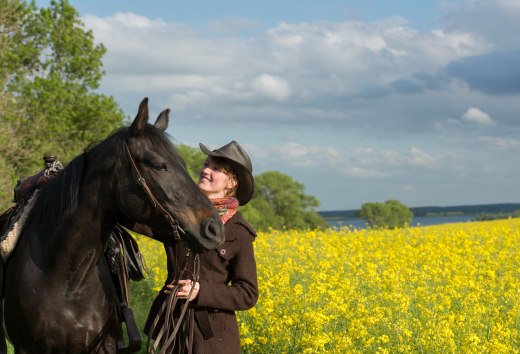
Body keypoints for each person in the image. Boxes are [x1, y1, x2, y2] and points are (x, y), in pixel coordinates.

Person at [144, 140, 258, 353]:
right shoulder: (180, 216)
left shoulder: (238, 230)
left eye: (216, 169)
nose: (206, 170)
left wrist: (201, 291)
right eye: (206, 164)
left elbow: (248, 293)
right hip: (171, 330)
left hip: (212, 340)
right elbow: (139, 220)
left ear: (232, 182)